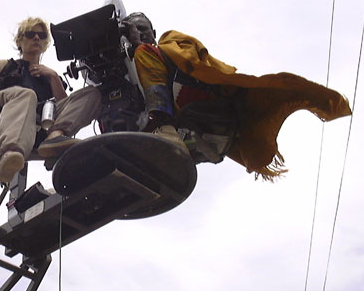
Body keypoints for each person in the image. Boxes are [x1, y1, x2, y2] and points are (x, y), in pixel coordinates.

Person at [122, 12, 352, 180]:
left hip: (204, 98)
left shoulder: (165, 45)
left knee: (145, 54)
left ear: (154, 32)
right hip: (197, 127)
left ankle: (163, 128)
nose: (140, 35)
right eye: (135, 31)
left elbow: (193, 60)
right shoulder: (135, 79)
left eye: (144, 29)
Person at [0, 17, 101, 185]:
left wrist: (52, 76)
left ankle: (54, 139)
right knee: (27, 95)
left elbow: (65, 108)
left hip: (34, 127)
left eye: (41, 35)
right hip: (1, 110)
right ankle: (9, 153)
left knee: (93, 93)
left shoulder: (50, 77)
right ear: (20, 41)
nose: (36, 38)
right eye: (30, 34)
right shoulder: (5, 66)